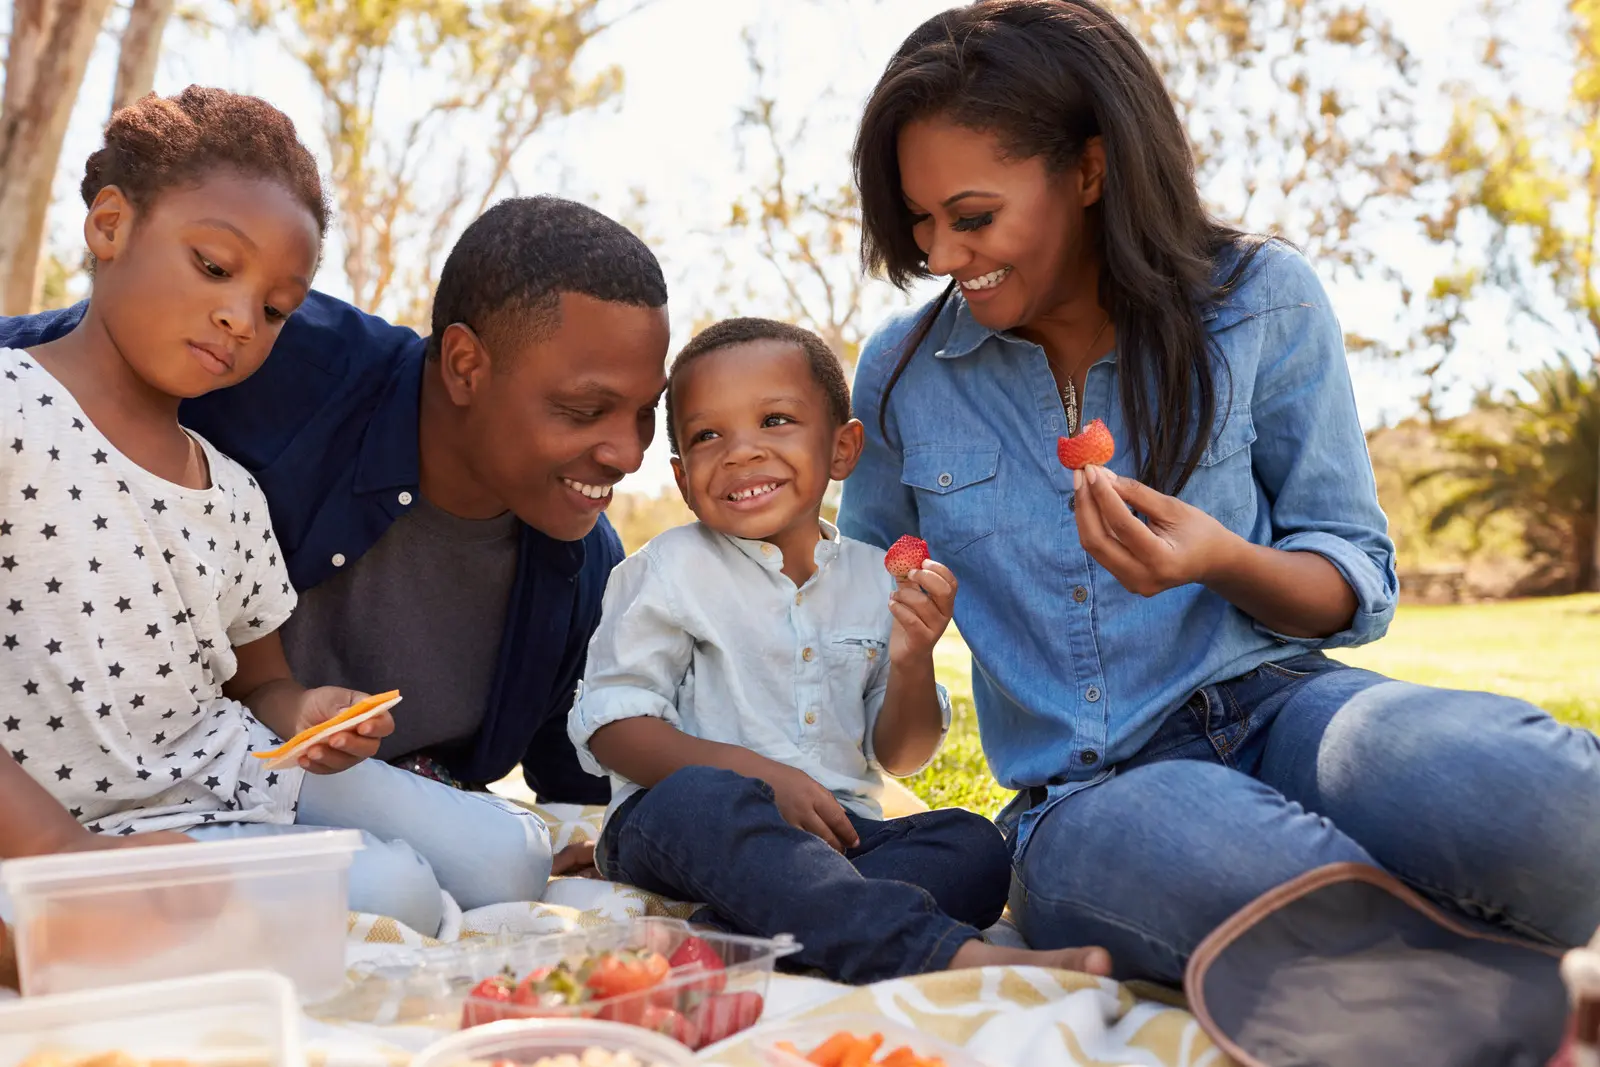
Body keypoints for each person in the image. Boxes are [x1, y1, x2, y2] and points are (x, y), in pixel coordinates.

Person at [840, 0, 1600, 985]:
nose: (941, 257)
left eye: (973, 217)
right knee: (1281, 886)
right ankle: (1505, 995)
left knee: (1548, 801)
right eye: (922, 224)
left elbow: (1353, 578)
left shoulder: (1259, 299)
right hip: (1091, 793)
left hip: (1293, 713)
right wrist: (900, 646)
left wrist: (1221, 561)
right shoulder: (904, 371)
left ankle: (1436, 983)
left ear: (1089, 169)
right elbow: (883, 709)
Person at [0, 87, 565, 938]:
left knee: (511, 860)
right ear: (110, 226)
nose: (239, 319)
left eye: (274, 309)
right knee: (394, 895)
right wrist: (53, 850)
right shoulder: (12, 411)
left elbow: (257, 679)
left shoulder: (230, 489)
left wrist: (302, 713)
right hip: (64, 813)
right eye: (215, 267)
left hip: (227, 767)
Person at [569, 318, 1112, 983]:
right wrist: (757, 778)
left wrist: (913, 656)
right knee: (701, 799)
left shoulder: (873, 576)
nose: (741, 452)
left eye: (774, 420)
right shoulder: (671, 569)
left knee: (974, 846)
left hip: (839, 835)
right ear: (683, 478)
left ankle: (742, 929)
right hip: (683, 826)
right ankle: (945, 952)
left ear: (842, 448)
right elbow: (615, 729)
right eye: (708, 435)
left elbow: (901, 754)